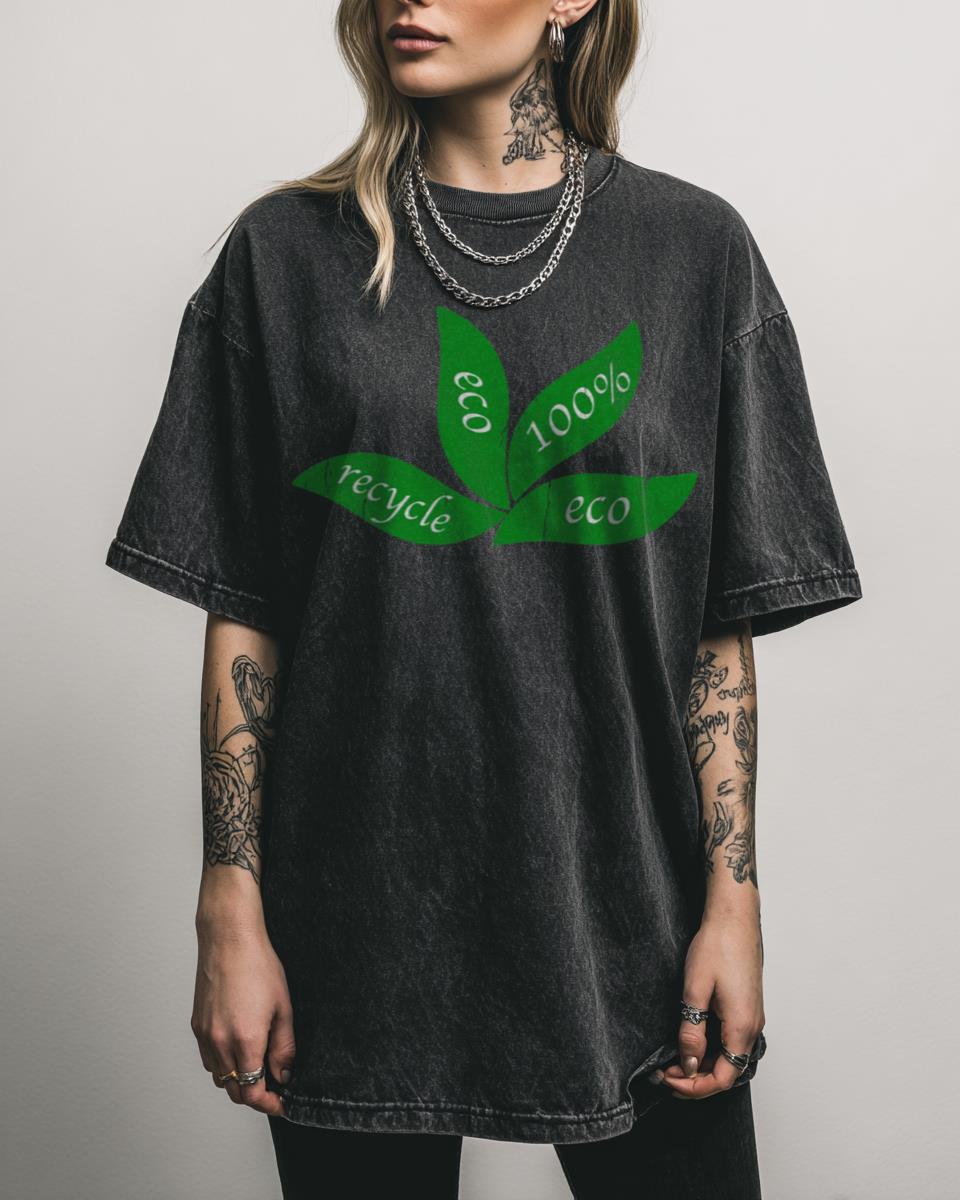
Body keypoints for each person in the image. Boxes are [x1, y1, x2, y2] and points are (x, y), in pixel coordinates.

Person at [104, 1, 863, 1196]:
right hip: (353, 922)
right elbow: (245, 608)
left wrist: (735, 901)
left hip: (631, 915)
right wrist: (229, 905)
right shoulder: (284, 256)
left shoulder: (695, 253)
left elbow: (715, 631)